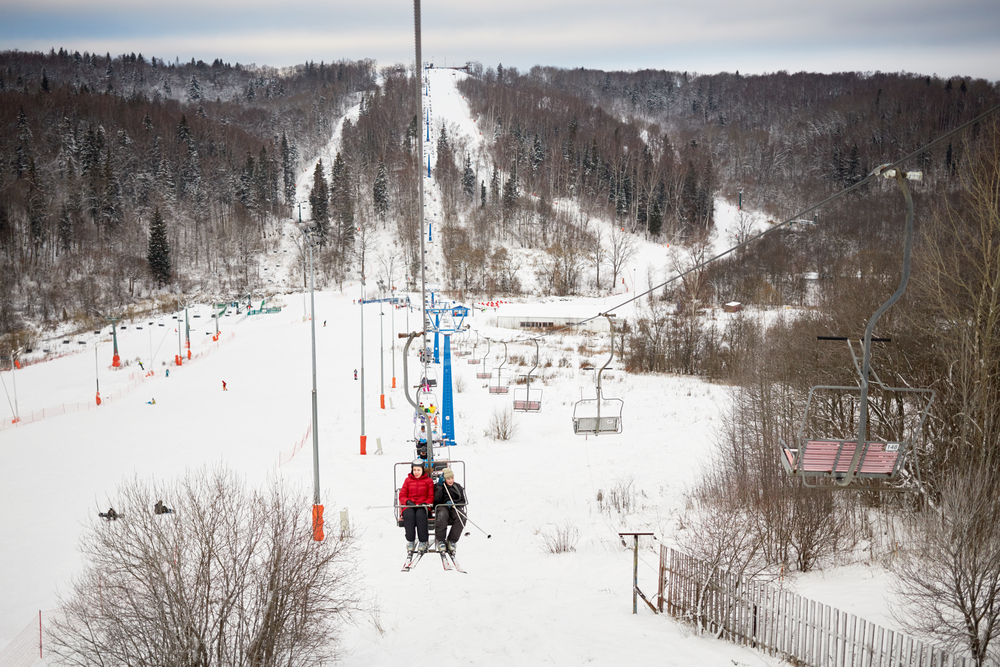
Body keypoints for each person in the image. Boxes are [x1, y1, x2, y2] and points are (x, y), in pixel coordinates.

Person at [398, 459, 434, 555]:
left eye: (418, 470)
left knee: (420, 516)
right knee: (409, 515)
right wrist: (407, 501)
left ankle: (423, 541)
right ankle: (410, 540)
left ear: (422, 470)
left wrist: (425, 503)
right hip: (410, 505)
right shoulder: (408, 480)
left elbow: (431, 496)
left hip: (423, 506)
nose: (416, 472)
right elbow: (402, 495)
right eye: (414, 470)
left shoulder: (428, 481)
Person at [434, 468, 466, 555]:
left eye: (452, 478)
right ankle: (440, 540)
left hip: (454, 506)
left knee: (462, 516)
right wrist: (440, 486)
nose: (451, 480)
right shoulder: (438, 486)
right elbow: (436, 500)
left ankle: (452, 540)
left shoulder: (457, 486)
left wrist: (455, 503)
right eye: (448, 478)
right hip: (442, 506)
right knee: (442, 515)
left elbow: (463, 501)